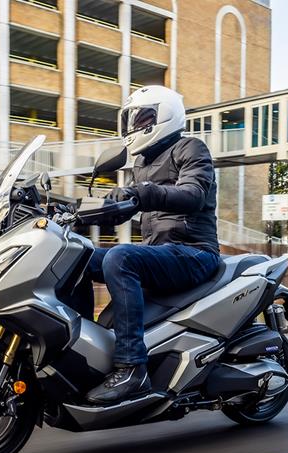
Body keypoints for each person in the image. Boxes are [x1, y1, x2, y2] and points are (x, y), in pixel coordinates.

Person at [82, 85, 221, 406]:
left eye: (143, 118)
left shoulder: (191, 149)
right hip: (162, 254)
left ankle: (132, 369)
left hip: (194, 251)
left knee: (120, 258)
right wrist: (72, 214)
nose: (135, 127)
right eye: (131, 120)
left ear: (165, 116)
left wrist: (142, 192)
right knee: (78, 257)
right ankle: (81, 348)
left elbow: (192, 194)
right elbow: (120, 210)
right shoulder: (143, 162)